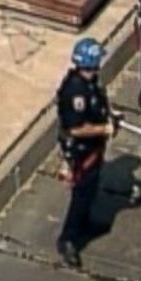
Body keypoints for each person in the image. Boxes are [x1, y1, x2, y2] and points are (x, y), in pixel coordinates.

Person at [55, 38, 122, 268]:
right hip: (81, 153)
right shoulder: (75, 92)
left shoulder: (91, 83)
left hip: (94, 148)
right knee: (81, 196)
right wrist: (105, 129)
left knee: (91, 190)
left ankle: (84, 224)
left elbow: (99, 103)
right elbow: (76, 128)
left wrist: (109, 115)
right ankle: (68, 240)